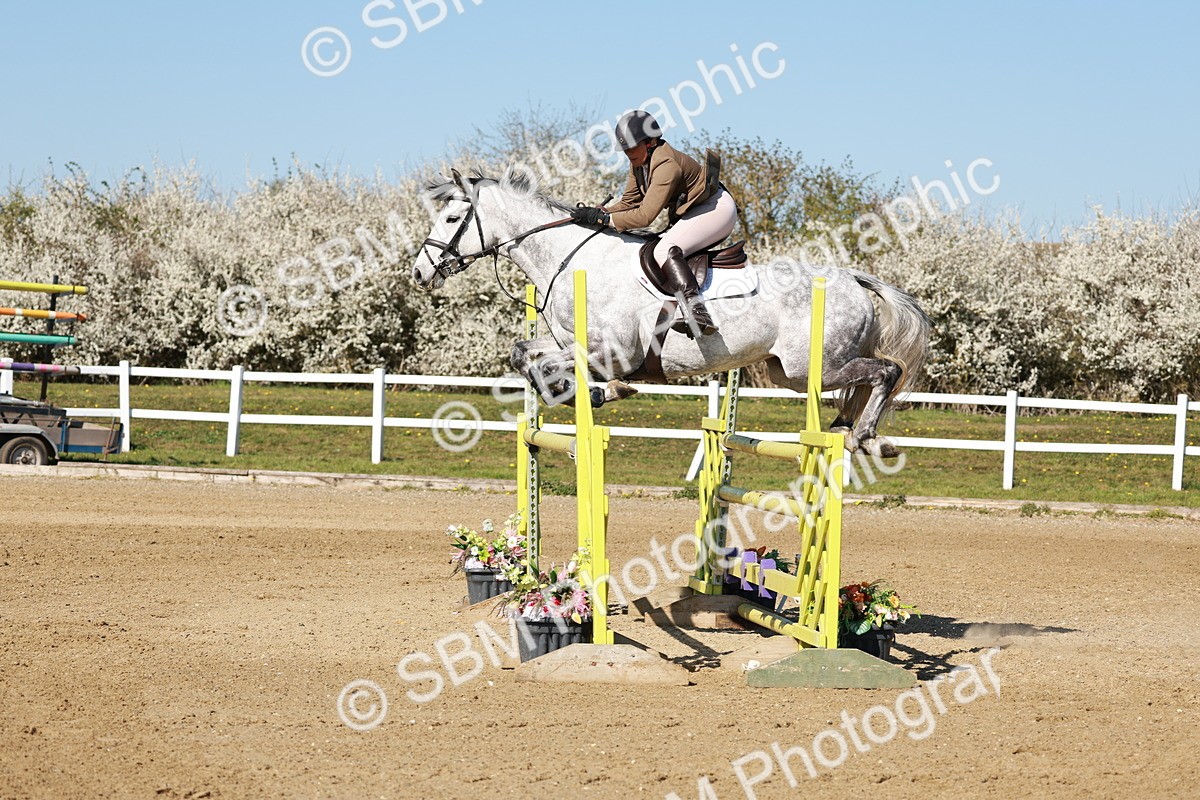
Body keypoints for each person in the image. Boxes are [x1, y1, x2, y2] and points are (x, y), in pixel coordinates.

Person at [570, 110, 737, 335]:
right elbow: (629, 202)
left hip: (716, 209)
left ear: (650, 142)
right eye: (625, 149)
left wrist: (604, 219)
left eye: (632, 147)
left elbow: (645, 216)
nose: (628, 153)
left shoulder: (667, 164)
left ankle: (698, 312)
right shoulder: (639, 162)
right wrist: (600, 211)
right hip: (696, 211)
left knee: (664, 250)